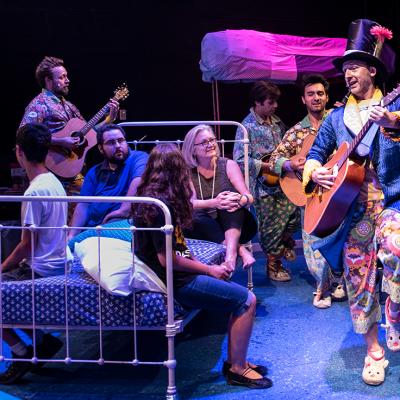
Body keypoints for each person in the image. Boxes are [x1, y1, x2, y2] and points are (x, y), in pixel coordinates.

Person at [302, 19, 400, 385]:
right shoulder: (335, 117)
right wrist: (317, 173)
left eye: (354, 68)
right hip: (352, 209)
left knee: (396, 246)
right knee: (358, 277)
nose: (347, 75)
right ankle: (373, 351)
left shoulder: (393, 104)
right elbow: (314, 153)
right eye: (343, 70)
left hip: (391, 200)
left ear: (372, 70)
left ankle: (395, 310)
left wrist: (391, 120)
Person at [131, 143, 272, 389]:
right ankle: (237, 369)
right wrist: (209, 269)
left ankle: (237, 360)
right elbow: (168, 260)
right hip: (177, 282)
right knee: (246, 301)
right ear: (176, 171)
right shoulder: (158, 208)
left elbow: (178, 246)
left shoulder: (157, 200)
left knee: (233, 294)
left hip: (177, 275)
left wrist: (198, 262)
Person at [0, 123, 70, 384]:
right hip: (57, 262)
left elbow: (26, 247)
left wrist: (1, 267)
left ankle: (20, 353)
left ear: (19, 152)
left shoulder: (34, 191)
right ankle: (42, 341)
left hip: (42, 268)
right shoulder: (54, 181)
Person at [269, 74, 346, 308]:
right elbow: (274, 160)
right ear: (303, 99)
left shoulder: (338, 121)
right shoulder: (295, 132)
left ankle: (337, 281)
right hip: (311, 194)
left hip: (337, 192)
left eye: (320, 93)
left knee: (338, 238)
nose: (316, 98)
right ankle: (321, 288)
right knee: (313, 242)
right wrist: (291, 164)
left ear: (327, 97)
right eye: (311, 94)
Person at [19, 56, 119, 196]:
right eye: (62, 77)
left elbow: (88, 134)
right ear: (48, 81)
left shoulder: (69, 106)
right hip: (52, 171)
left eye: (66, 76)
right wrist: (61, 141)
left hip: (73, 171)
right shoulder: (39, 104)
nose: (67, 80)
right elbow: (24, 134)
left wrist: (109, 120)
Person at [234, 81, 300, 282]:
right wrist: (269, 166)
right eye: (270, 102)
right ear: (257, 102)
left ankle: (286, 242)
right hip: (264, 186)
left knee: (294, 216)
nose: (275, 106)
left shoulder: (277, 122)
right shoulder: (247, 127)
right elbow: (240, 159)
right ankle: (274, 266)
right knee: (271, 227)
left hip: (284, 180)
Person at [181, 124, 257, 270]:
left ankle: (230, 256)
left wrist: (239, 200)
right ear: (193, 149)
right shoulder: (186, 171)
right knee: (195, 215)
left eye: (212, 140)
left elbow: (249, 197)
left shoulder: (228, 165)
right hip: (203, 228)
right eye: (204, 142)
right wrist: (215, 202)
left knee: (230, 203)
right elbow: (190, 204)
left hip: (237, 224)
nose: (210, 145)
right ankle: (239, 250)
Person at [68, 124, 148, 237]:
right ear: (101, 148)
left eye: (121, 141)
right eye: (111, 143)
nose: (118, 145)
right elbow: (83, 205)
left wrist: (122, 211)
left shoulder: (139, 158)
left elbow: (138, 181)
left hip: (121, 224)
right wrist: (71, 235)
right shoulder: (94, 172)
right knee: (69, 245)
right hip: (94, 228)